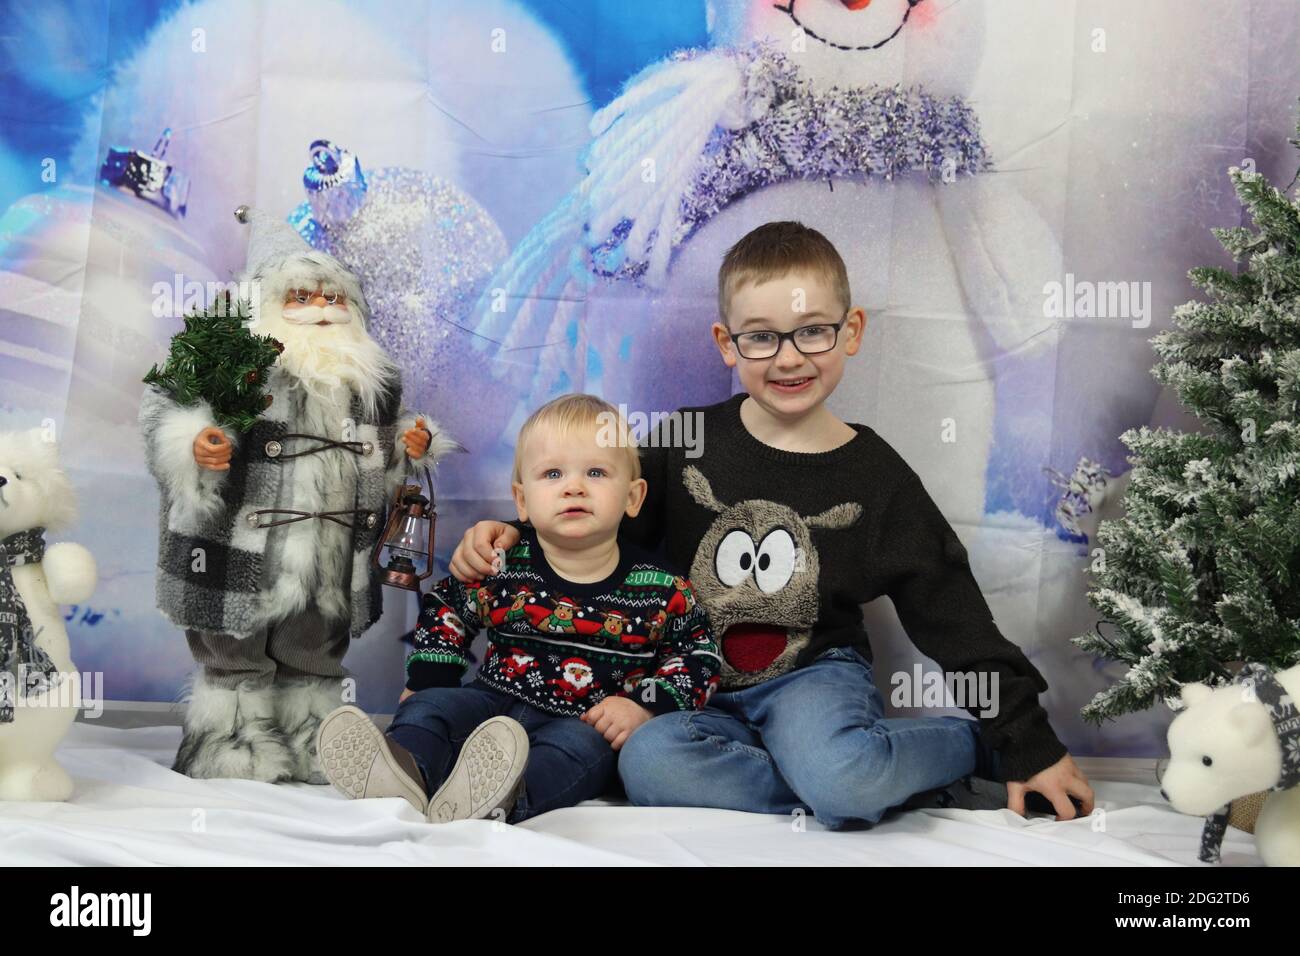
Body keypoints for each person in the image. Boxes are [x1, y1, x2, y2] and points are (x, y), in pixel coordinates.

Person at [448, 221, 1095, 828]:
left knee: (840, 775)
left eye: (812, 330)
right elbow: (600, 515)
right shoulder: (687, 439)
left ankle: (957, 747)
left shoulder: (875, 477)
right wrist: (517, 537)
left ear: (852, 331)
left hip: (814, 678)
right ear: (727, 345)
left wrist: (1022, 742)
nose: (788, 358)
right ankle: (832, 783)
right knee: (645, 763)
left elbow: (952, 613)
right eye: (761, 336)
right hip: (696, 681)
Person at [316, 394, 721, 823]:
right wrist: (428, 680)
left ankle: (502, 798)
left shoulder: (661, 587)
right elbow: (448, 609)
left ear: (633, 497)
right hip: (492, 700)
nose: (574, 486)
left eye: (597, 472)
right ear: (522, 500)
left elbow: (698, 656)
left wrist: (644, 705)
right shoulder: (503, 562)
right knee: (429, 708)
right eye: (552, 474)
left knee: (578, 754)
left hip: (584, 721)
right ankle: (404, 773)